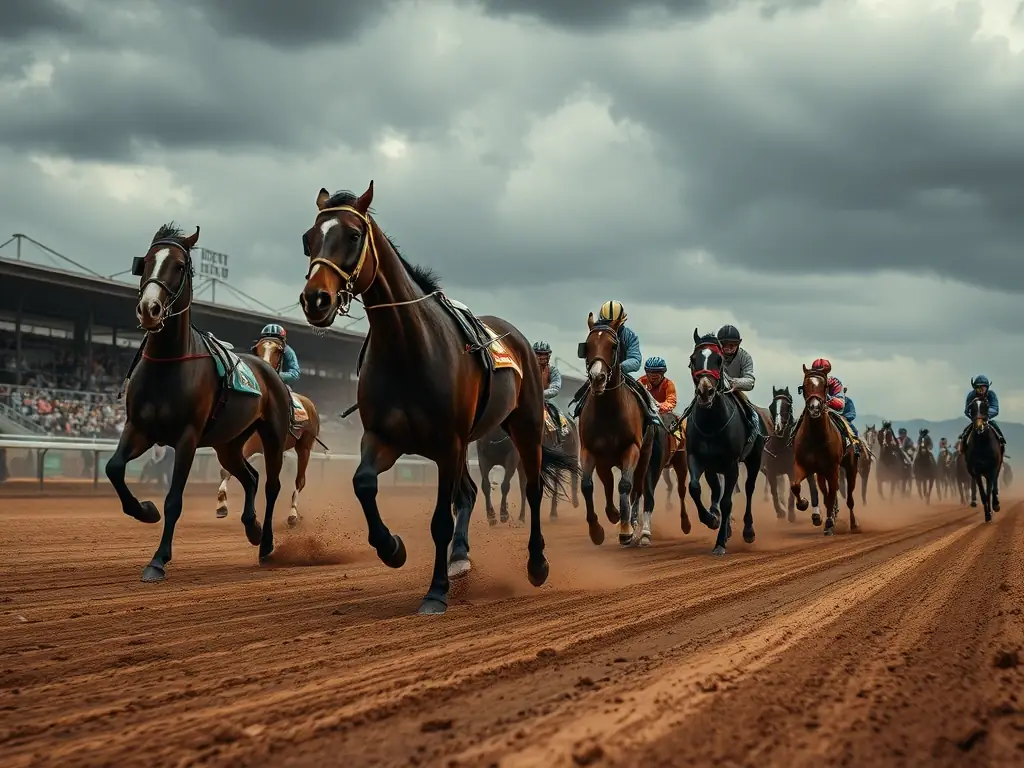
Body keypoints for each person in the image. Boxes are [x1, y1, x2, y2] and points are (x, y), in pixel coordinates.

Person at [569, 300, 662, 430]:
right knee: (580, 396)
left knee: (644, 394)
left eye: (615, 324)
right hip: (599, 372)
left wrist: (618, 368)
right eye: (607, 323)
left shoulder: (629, 336)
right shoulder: (597, 334)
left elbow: (635, 360)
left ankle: (653, 416)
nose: (611, 326)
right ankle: (573, 415)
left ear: (621, 322)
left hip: (621, 375)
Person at [801, 358, 860, 456]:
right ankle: (791, 444)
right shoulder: (810, 381)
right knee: (798, 422)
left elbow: (840, 403)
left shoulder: (834, 382)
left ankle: (855, 446)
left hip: (833, 411)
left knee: (850, 427)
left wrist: (825, 401)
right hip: (813, 410)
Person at [257, 323, 301, 430]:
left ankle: (291, 423)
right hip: (259, 382)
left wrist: (275, 376)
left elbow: (295, 373)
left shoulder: (288, 351)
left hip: (280, 384)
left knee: (287, 399)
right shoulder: (259, 349)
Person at [533, 341, 568, 441]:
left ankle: (561, 434)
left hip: (544, 400)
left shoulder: (552, 370)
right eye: (539, 354)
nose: (542, 357)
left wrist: (540, 395)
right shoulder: (526, 368)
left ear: (549, 355)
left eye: (544, 354)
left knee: (556, 411)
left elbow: (555, 387)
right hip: (526, 399)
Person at [960, 374, 1006, 451]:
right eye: (978, 387)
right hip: (975, 420)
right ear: (975, 388)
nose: (981, 389)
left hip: (987, 419)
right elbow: (966, 410)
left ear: (987, 387)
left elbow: (995, 409)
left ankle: (1001, 443)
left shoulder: (991, 394)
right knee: (964, 434)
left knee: (998, 433)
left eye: (983, 387)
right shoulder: (971, 395)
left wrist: (983, 414)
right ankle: (962, 450)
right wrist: (975, 417)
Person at [639, 357, 678, 429]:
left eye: (656, 372)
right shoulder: (641, 382)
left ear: (663, 373)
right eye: (650, 372)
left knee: (676, 430)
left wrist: (661, 407)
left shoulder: (668, 384)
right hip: (644, 412)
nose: (653, 375)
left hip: (663, 415)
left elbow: (671, 400)